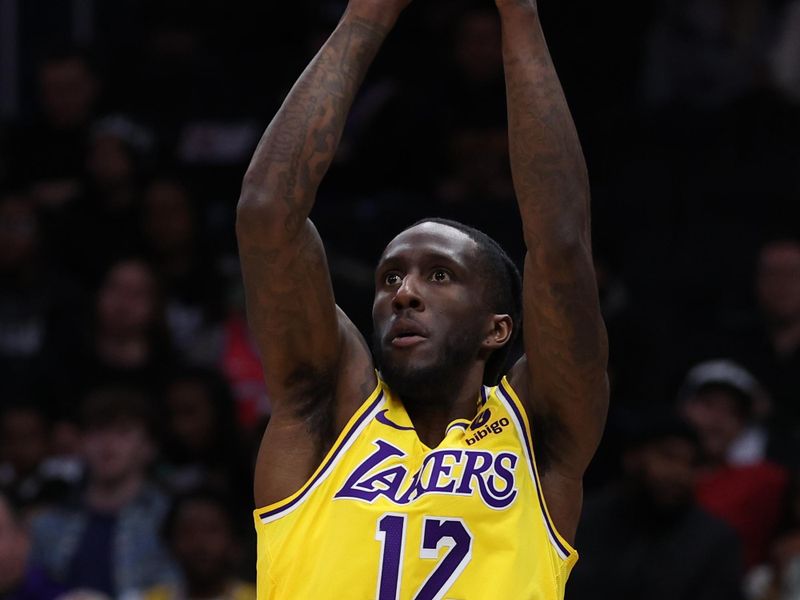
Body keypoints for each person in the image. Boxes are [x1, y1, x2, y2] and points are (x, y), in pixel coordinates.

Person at [237, 1, 608, 599]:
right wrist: (366, 15)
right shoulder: (326, 411)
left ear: (498, 329)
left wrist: (520, 15)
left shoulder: (539, 432)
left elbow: (562, 248)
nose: (404, 292)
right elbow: (267, 214)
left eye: (439, 276)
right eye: (389, 279)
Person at [566, 413, 744, 600]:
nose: (679, 473)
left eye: (691, 464)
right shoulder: (583, 518)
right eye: (668, 456)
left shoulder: (715, 542)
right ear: (632, 457)